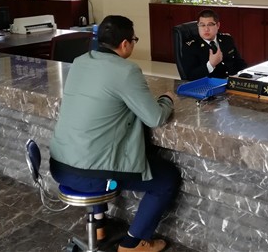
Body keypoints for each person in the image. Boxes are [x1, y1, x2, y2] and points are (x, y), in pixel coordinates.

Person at [49, 15, 180, 252]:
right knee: (167, 178)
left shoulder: (79, 61)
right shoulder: (126, 71)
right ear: (125, 44)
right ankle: (132, 244)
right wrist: (166, 99)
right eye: (134, 40)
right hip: (91, 175)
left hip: (59, 166)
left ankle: (99, 224)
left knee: (94, 147)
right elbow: (154, 118)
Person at [181, 8, 247, 80]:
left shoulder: (227, 39)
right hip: (211, 85)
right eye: (202, 25)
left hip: (233, 82)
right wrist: (211, 64)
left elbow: (240, 63)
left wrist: (246, 75)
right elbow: (190, 76)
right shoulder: (191, 47)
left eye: (210, 25)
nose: (206, 29)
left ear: (218, 25)